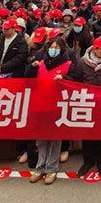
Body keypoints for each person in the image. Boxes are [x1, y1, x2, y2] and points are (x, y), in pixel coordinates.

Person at [68, 36, 101, 177]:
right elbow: (78, 81)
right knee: (88, 135)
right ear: (95, 48)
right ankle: (87, 161)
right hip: (88, 104)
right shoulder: (82, 63)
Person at [27, 34, 73, 185]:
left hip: (57, 106)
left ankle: (52, 168)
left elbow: (75, 81)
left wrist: (64, 80)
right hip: (40, 104)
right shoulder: (40, 64)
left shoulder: (67, 64)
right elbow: (28, 81)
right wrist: (31, 68)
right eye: (51, 47)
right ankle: (40, 167)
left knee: (54, 139)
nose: (54, 50)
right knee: (41, 139)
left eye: (57, 48)